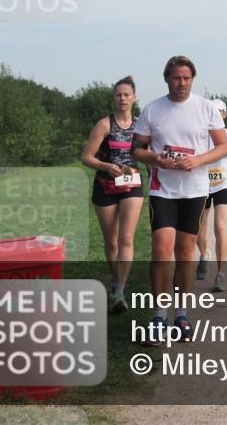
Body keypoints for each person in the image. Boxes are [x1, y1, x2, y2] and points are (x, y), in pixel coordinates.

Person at [132, 56, 227, 343]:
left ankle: (182, 314)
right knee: (161, 250)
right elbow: (137, 149)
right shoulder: (152, 109)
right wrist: (155, 157)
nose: (181, 83)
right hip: (163, 189)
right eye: (176, 77)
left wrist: (197, 160)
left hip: (195, 189)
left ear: (192, 80)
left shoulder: (205, 108)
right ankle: (159, 317)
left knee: (186, 252)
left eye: (186, 78)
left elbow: (222, 146)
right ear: (167, 79)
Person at [80, 76, 143, 313]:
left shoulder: (140, 125)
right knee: (112, 241)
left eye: (127, 94)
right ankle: (116, 280)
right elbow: (87, 157)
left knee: (126, 238)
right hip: (105, 185)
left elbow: (148, 152)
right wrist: (106, 166)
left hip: (132, 185)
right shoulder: (104, 124)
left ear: (134, 98)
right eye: (118, 94)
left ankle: (118, 291)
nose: (123, 98)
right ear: (113, 98)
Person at [196, 98, 227, 292]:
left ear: (224, 114)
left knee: (220, 227)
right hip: (201, 185)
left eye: (219, 112)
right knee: (199, 228)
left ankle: (221, 274)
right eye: (212, 112)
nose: (215, 115)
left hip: (223, 185)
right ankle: (204, 254)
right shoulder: (200, 135)